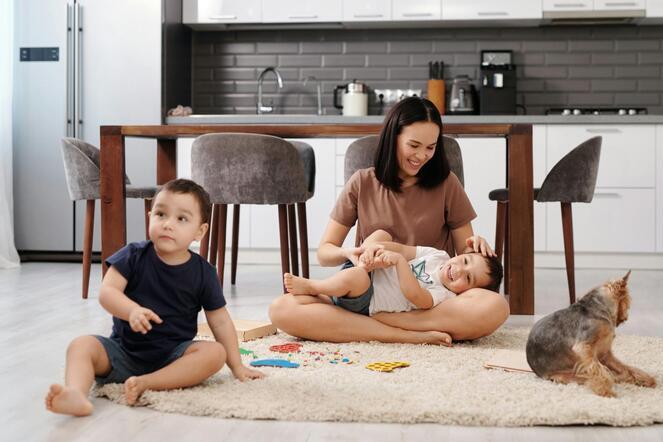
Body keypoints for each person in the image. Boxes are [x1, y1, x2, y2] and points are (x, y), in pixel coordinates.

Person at [270, 97, 510, 344]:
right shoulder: (362, 182)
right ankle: (401, 334)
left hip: (426, 303)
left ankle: (389, 325)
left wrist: (475, 245)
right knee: (282, 308)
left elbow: (465, 263)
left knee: (496, 306)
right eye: (414, 145)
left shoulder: (447, 184)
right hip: (369, 292)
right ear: (393, 137)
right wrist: (350, 253)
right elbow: (325, 253)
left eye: (430, 147)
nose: (422, 156)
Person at [45, 179, 264, 417]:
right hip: (123, 351)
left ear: (200, 231)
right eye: (161, 214)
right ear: (150, 217)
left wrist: (237, 366)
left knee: (216, 353)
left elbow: (220, 321)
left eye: (181, 219)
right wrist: (131, 311)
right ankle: (76, 394)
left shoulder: (204, 272)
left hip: (174, 357)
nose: (168, 224)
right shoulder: (133, 255)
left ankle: (148, 382)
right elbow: (107, 293)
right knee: (81, 345)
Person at [283, 230, 503, 345]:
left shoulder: (443, 295)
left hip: (366, 296)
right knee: (380, 234)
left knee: (357, 278)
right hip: (363, 266)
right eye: (464, 262)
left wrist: (397, 262)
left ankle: (315, 287)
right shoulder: (440, 256)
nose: (458, 271)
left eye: (468, 279)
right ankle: (324, 289)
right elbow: (403, 249)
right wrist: (370, 251)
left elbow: (416, 296)